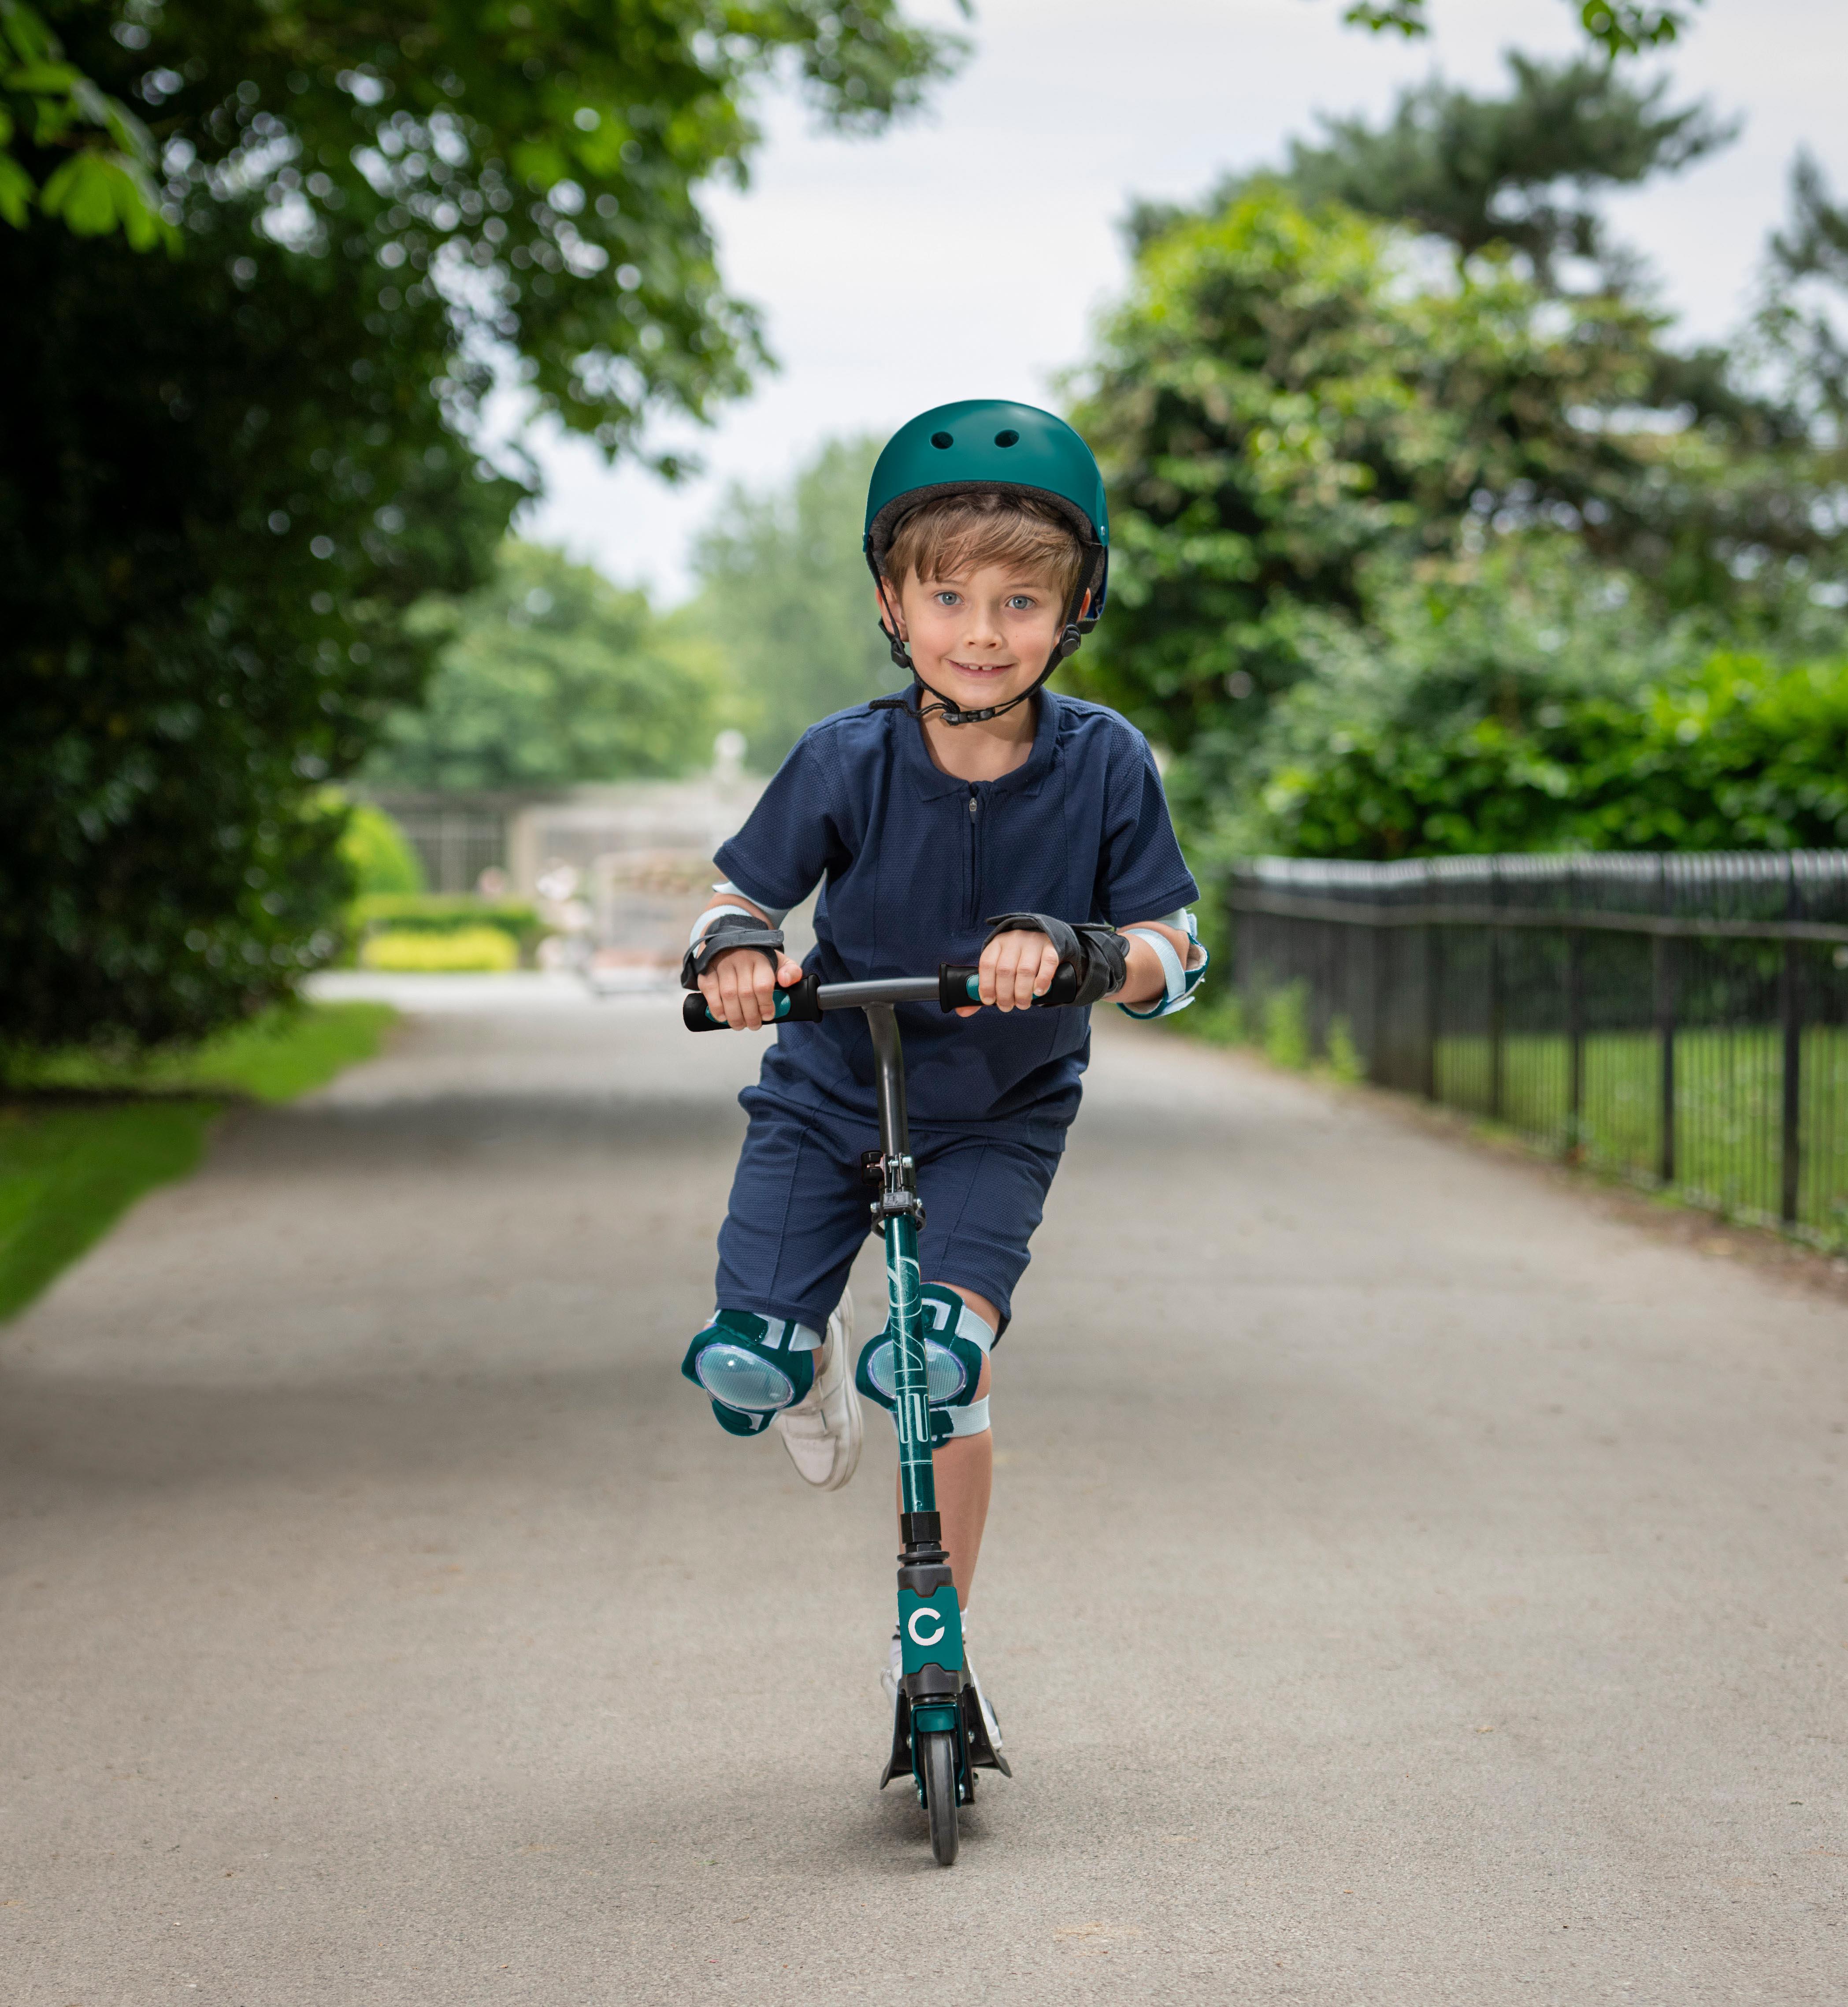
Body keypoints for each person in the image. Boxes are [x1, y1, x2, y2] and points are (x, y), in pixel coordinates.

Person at [679, 399, 1206, 1721]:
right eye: (951, 596)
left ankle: (935, 1636)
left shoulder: (1104, 765)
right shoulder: (844, 759)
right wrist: (740, 955)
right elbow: (733, 899)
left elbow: (1174, 946)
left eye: (1022, 601)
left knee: (936, 1359)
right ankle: (798, 1362)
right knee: (746, 1357)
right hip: (827, 1091)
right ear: (892, 605)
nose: (983, 631)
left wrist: (1085, 952)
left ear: (1075, 609)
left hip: (997, 1113)